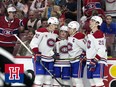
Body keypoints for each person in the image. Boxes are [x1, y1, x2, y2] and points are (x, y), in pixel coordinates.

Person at [30, 17, 59, 87]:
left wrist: (54, 53)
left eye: (56, 25)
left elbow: (54, 45)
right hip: (40, 57)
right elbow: (33, 43)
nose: (56, 27)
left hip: (49, 59)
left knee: (48, 79)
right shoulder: (41, 31)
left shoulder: (55, 33)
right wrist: (36, 53)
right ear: (50, 24)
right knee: (39, 77)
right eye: (54, 25)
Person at [86, 16, 107, 87]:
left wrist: (95, 60)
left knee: (97, 81)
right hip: (91, 60)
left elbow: (102, 49)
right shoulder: (91, 34)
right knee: (92, 81)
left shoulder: (98, 33)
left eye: (92, 20)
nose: (90, 21)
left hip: (98, 60)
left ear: (97, 23)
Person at [67, 21, 86, 87]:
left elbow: (87, 47)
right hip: (72, 60)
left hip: (77, 61)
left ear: (75, 29)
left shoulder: (78, 36)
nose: (68, 30)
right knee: (73, 80)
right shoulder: (70, 37)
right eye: (68, 28)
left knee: (77, 79)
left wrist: (83, 54)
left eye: (70, 28)